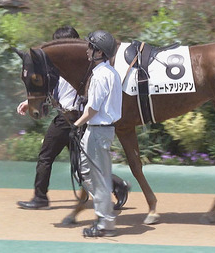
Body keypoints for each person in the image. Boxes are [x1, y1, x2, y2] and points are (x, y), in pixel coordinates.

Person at [17, 26, 129, 211]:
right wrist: (29, 102)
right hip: (71, 118)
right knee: (81, 164)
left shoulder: (78, 70)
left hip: (71, 118)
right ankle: (117, 185)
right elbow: (49, 90)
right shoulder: (65, 69)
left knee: (46, 156)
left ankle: (40, 197)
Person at [72, 30, 122, 237]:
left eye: (91, 47)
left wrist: (75, 125)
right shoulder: (111, 73)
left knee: (97, 177)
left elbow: (92, 109)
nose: (87, 50)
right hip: (97, 131)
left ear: (99, 52)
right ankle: (106, 203)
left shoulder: (101, 76)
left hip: (97, 131)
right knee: (85, 171)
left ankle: (105, 223)